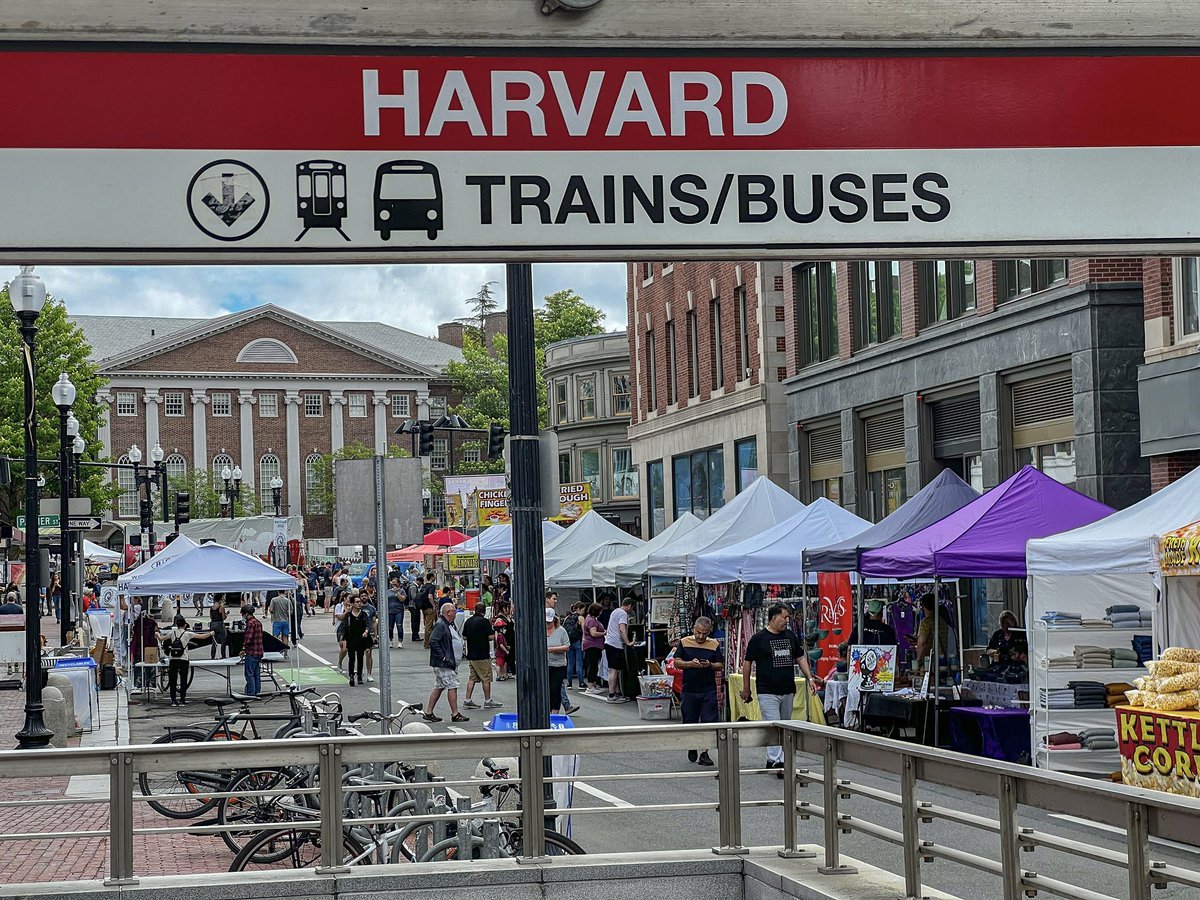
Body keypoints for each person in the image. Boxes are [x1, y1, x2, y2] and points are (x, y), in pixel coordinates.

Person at [740, 602, 822, 775]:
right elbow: (747, 664)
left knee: (785, 725)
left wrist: (809, 678)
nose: (787, 621)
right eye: (784, 617)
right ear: (773, 618)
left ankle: (775, 760)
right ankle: (778, 761)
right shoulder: (759, 639)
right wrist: (746, 688)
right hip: (767, 690)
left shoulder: (790, 636)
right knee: (774, 724)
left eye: (788, 618)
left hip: (787, 689)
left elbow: (800, 658)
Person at [676, 616, 723, 766]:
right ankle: (692, 745)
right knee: (690, 719)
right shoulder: (684, 642)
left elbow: (720, 664)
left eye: (704, 633)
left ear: (709, 632)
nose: (701, 636)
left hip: (708, 689)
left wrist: (709, 665)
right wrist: (689, 663)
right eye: (698, 632)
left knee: (709, 721)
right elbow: (676, 662)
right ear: (693, 629)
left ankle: (704, 752)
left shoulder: (714, 644)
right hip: (689, 688)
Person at [424, 601, 468, 723]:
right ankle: (455, 713)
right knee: (452, 685)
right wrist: (443, 657)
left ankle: (428, 712)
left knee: (439, 686)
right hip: (444, 663)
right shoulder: (441, 625)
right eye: (454, 611)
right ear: (449, 613)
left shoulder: (446, 624)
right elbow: (433, 641)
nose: (455, 613)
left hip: (446, 662)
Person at [162, 615, 213, 707]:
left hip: (173, 659)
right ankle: (182, 700)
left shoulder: (172, 633)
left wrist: (157, 634)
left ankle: (173, 700)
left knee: (173, 680)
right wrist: (211, 633)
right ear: (185, 625)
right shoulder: (187, 634)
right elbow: (202, 637)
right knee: (183, 680)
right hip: (183, 659)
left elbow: (161, 639)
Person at [461, 603, 501, 710]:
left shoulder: (468, 621)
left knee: (472, 677)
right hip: (482, 654)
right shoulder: (484, 622)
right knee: (486, 678)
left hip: (471, 654)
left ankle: (467, 700)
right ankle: (488, 700)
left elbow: (464, 635)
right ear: (484, 611)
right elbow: (491, 637)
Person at [604, 596, 636, 703]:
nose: (631, 611)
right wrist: (628, 642)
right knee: (614, 670)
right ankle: (611, 695)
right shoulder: (623, 614)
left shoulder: (615, 611)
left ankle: (617, 693)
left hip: (609, 642)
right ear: (630, 606)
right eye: (632, 608)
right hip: (615, 644)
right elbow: (622, 629)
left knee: (614, 670)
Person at [914, 592, 954, 673]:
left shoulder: (926, 623)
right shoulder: (944, 621)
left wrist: (917, 661)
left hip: (930, 662)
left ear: (924, 607)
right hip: (945, 661)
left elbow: (922, 643)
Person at [341, 596, 372, 687]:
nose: (359, 604)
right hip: (351, 638)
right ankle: (351, 676)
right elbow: (345, 627)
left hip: (361, 638)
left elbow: (367, 625)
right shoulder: (349, 615)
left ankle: (359, 676)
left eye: (359, 602)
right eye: (357, 602)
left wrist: (366, 632)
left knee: (360, 657)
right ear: (352, 604)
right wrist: (343, 639)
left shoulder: (363, 614)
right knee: (351, 658)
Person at [546, 609, 571, 715]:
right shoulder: (539, 630)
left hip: (558, 665)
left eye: (550, 622)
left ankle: (555, 713)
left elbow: (567, 646)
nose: (548, 624)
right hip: (545, 665)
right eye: (546, 622)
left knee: (555, 689)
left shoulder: (561, 631)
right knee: (546, 690)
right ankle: (547, 710)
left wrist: (552, 649)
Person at [582, 602, 606, 694]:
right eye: (600, 611)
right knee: (593, 666)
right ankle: (590, 687)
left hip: (593, 645)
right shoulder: (591, 620)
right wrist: (604, 633)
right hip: (592, 645)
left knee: (594, 666)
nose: (601, 613)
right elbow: (593, 633)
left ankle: (593, 685)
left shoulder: (590, 619)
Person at [240, 604, 264, 696]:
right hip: (259, 651)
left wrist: (242, 649)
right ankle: (257, 692)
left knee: (249, 674)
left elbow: (248, 639)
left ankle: (251, 693)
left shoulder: (250, 624)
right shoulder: (258, 622)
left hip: (251, 651)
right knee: (256, 674)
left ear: (246, 614)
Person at [563, 601, 584, 689]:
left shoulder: (567, 617)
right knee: (579, 663)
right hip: (577, 641)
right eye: (583, 610)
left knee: (570, 663)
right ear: (578, 609)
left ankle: (569, 683)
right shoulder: (580, 618)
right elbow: (584, 631)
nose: (583, 611)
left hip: (569, 642)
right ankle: (581, 683)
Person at [493, 599, 513, 680]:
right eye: (507, 608)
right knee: (502, 659)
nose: (509, 609)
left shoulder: (508, 617)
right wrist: (497, 642)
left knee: (508, 658)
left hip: (510, 640)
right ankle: (502, 674)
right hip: (504, 640)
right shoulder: (499, 618)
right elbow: (496, 631)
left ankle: (506, 673)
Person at [419, 574, 439, 648]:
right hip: (430, 608)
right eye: (433, 577)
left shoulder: (423, 586)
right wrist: (433, 605)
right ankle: (427, 643)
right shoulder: (431, 586)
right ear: (431, 577)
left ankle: (427, 642)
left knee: (426, 624)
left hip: (424, 608)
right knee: (429, 626)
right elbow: (430, 596)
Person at [386, 584, 406, 649]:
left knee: (399, 625)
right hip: (390, 610)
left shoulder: (402, 591)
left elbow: (402, 599)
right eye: (393, 583)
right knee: (390, 627)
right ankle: (391, 640)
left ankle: (400, 641)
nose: (394, 585)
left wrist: (397, 592)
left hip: (399, 610)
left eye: (395, 583)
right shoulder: (388, 591)